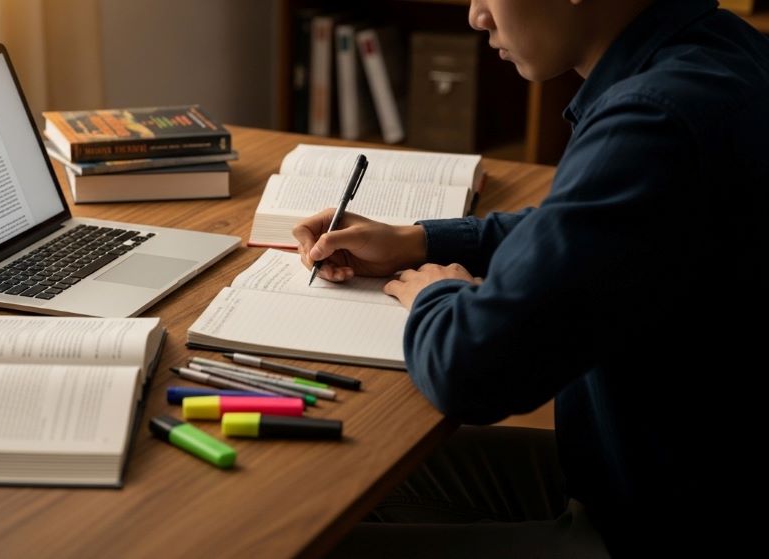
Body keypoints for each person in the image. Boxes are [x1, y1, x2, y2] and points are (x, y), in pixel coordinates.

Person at [294, 0, 769, 556]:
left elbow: (470, 368)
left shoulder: (654, 117)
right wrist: (422, 241)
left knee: (298, 536)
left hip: (645, 527)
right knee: (342, 468)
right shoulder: (720, 52)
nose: (476, 17)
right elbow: (593, 226)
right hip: (670, 474)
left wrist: (436, 292)